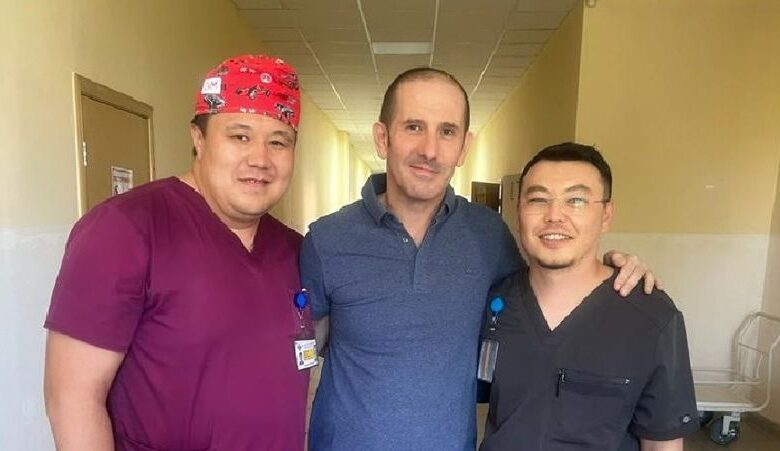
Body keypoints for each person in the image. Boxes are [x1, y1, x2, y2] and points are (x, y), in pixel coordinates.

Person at [300, 68, 659, 450]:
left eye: (447, 131)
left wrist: (612, 269)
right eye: (414, 127)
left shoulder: (488, 235)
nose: (430, 150)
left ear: (463, 147)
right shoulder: (327, 239)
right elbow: (302, 357)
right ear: (382, 137)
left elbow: (547, 292)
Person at [44, 55, 311, 451]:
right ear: (198, 139)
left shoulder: (293, 250)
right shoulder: (125, 230)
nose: (260, 159)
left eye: (278, 141)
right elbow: (72, 399)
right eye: (239, 136)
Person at [480, 143, 698, 451]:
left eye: (576, 200)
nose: (554, 216)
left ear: (606, 215)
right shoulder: (494, 303)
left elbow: (661, 443)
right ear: (519, 213)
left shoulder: (651, 317)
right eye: (539, 200)